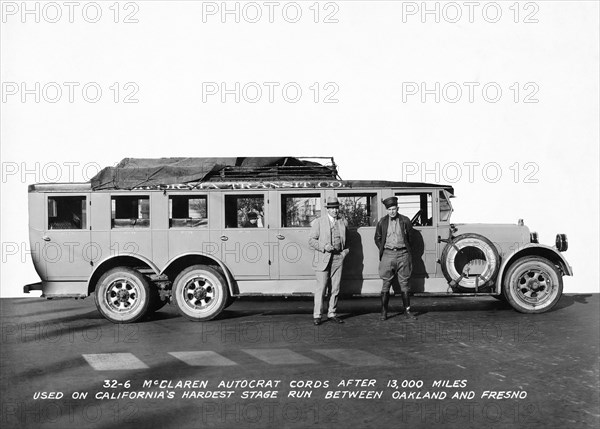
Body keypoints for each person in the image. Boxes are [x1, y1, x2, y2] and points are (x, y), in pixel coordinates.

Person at [374, 196, 417, 321]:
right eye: (389, 209)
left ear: (397, 208)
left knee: (405, 284)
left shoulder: (405, 220)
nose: (392, 211)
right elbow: (377, 238)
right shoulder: (382, 222)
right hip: (387, 255)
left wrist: (406, 250)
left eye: (394, 209)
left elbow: (411, 238)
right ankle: (384, 312)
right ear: (386, 210)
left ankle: (407, 311)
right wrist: (384, 249)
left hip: (403, 254)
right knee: (386, 283)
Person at [308, 196, 349, 325]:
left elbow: (348, 243)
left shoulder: (343, 222)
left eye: (336, 208)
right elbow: (311, 241)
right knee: (321, 288)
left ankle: (332, 313)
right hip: (323, 258)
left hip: (338, 258)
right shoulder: (319, 222)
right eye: (332, 208)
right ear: (327, 210)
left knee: (335, 288)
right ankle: (317, 315)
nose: (335, 211)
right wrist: (324, 247)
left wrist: (344, 254)